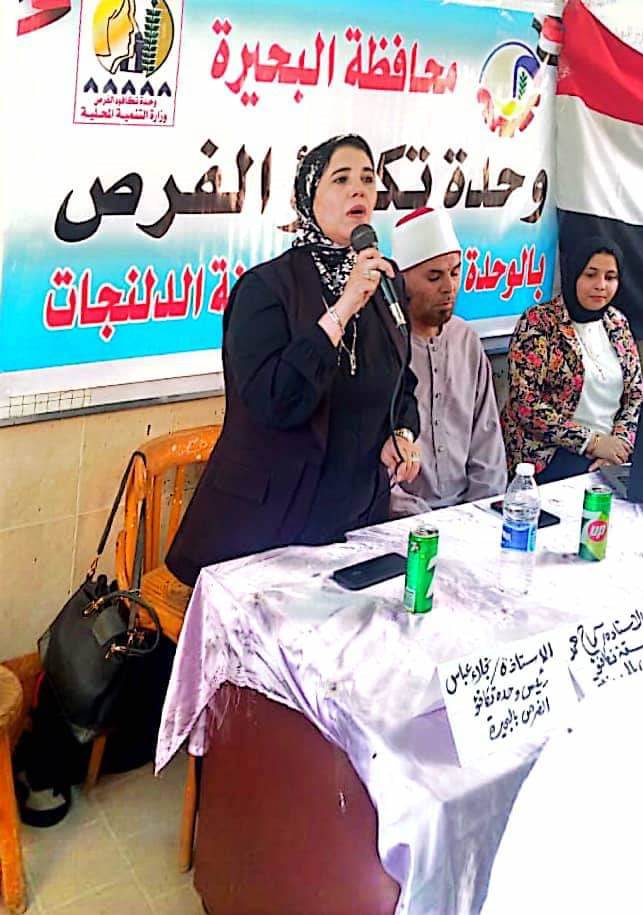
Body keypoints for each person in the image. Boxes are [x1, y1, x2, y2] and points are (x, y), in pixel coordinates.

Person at [166, 135, 421, 586]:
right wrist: (342, 309)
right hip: (266, 528)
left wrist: (400, 434)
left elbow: (402, 384)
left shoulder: (385, 284)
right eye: (340, 179)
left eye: (367, 179)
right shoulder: (265, 289)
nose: (358, 190)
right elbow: (274, 403)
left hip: (354, 523)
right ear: (308, 196)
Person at [388, 208, 507, 515]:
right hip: (399, 520)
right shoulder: (381, 346)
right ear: (402, 280)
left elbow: (487, 441)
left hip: (471, 515)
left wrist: (479, 513)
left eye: (455, 273)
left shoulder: (467, 341)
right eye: (434, 277)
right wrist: (420, 520)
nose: (449, 287)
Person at [501, 236, 643, 483]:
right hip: (552, 456)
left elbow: (635, 395)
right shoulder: (539, 323)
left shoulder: (617, 323)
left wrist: (619, 445)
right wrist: (591, 442)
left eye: (610, 277)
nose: (601, 285)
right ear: (573, 274)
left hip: (611, 452)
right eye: (590, 275)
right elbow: (524, 404)